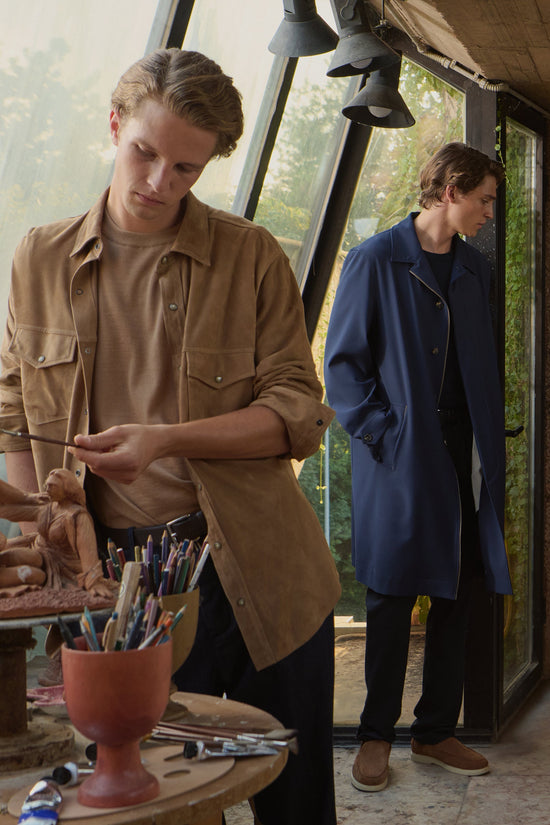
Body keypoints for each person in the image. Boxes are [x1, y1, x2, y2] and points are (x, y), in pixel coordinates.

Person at [0, 48, 341, 825]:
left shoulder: (251, 255)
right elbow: (13, 397)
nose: (159, 183)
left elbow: (296, 409)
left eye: (186, 169)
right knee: (149, 805)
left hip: (260, 568)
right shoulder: (38, 256)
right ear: (115, 124)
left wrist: (164, 438)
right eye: (144, 153)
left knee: (295, 805)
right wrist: (38, 532)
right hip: (116, 587)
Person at [324, 142, 512, 792]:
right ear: (452, 189)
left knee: (460, 591)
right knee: (391, 595)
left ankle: (434, 731)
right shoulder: (376, 260)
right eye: (484, 198)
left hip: (468, 453)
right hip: (403, 457)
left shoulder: (474, 270)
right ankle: (376, 736)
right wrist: (386, 432)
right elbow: (343, 368)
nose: (490, 211)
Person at [0, 468, 114, 597]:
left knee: (36, 572)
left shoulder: (76, 516)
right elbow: (6, 510)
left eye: (52, 486)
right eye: (47, 485)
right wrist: (29, 498)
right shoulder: (48, 508)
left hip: (64, 565)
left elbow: (87, 551)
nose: (47, 489)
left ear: (67, 488)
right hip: (39, 553)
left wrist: (94, 582)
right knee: (22, 554)